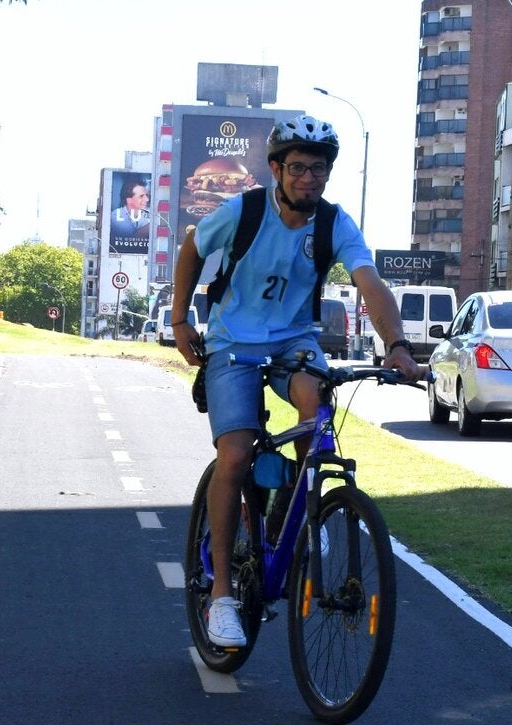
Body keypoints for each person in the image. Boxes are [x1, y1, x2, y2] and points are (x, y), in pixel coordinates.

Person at [169, 114, 425, 647]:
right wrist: (179, 320)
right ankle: (222, 595)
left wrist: (397, 345)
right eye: (299, 168)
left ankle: (299, 513)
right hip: (233, 343)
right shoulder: (244, 211)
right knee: (236, 454)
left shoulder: (334, 223)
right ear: (276, 169)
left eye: (319, 169)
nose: (309, 178)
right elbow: (192, 245)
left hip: (295, 341)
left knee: (318, 410)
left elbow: (369, 282)